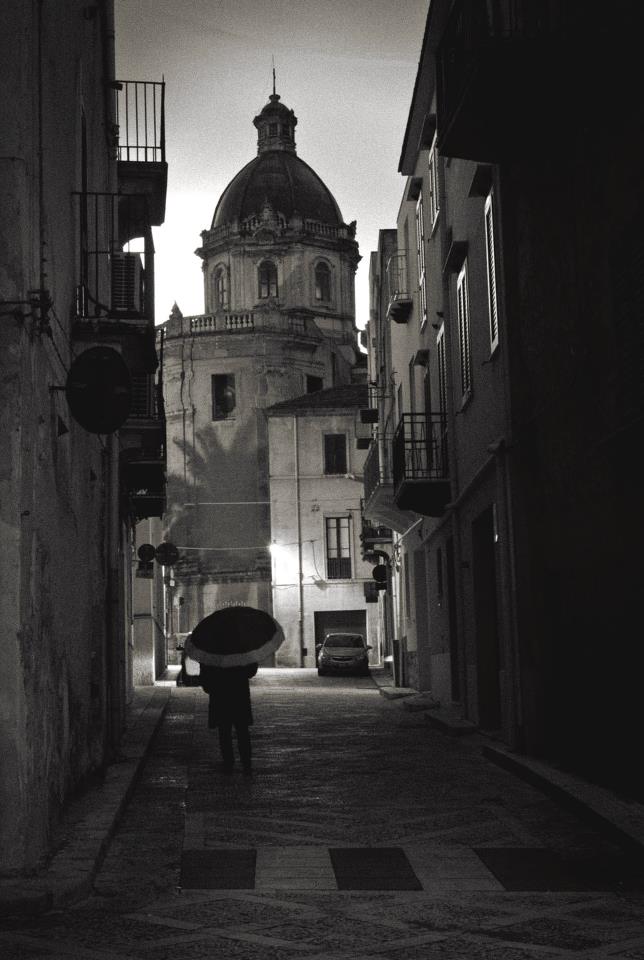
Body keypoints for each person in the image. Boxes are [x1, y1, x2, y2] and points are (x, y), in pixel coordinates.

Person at [200, 662, 258, 773]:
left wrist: (210, 684)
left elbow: (206, 678)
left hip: (220, 695)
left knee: (224, 731)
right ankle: (246, 763)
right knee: (242, 731)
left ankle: (228, 762)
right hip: (239, 694)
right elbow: (251, 671)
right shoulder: (240, 648)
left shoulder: (213, 652)